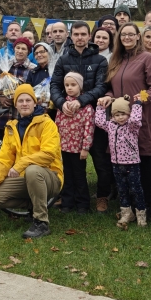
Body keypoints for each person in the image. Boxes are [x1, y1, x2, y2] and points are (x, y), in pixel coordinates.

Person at [98, 23, 151, 216]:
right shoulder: (116, 59)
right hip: (119, 120)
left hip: (139, 118)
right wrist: (108, 96)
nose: (126, 37)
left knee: (143, 162)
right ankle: (128, 205)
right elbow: (112, 87)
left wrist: (140, 99)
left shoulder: (147, 58)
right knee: (123, 163)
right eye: (123, 34)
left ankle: (146, 206)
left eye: (131, 34)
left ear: (137, 36)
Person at [0, 83, 63, 238]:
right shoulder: (11, 127)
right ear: (16, 105)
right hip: (25, 178)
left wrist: (20, 165)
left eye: (28, 100)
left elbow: (48, 154)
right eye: (20, 101)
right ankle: (35, 204)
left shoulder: (47, 124)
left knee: (32, 170)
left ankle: (41, 222)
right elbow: (4, 159)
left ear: (35, 103)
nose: (24, 104)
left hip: (51, 177)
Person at [51, 21, 109, 208]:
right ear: (71, 36)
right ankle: (67, 196)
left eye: (83, 34)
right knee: (69, 163)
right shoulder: (63, 60)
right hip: (69, 120)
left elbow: (102, 86)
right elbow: (54, 86)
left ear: (89, 36)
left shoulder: (100, 60)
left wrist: (81, 101)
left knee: (100, 160)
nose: (80, 38)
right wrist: (61, 103)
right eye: (76, 34)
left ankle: (102, 196)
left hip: (94, 116)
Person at [95, 97, 146, 228]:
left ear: (128, 114)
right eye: (117, 115)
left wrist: (137, 104)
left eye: (123, 114)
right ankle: (126, 213)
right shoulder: (111, 125)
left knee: (136, 189)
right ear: (113, 116)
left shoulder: (132, 126)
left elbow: (135, 119)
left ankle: (141, 214)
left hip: (132, 163)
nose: (120, 117)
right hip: (116, 164)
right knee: (122, 190)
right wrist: (100, 107)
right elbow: (99, 121)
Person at [55, 72, 93, 214]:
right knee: (67, 174)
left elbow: (89, 129)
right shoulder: (62, 106)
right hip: (64, 147)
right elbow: (56, 125)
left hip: (78, 149)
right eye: (67, 85)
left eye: (73, 85)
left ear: (80, 86)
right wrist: (56, 145)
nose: (69, 88)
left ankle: (82, 203)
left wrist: (85, 148)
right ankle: (67, 202)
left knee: (79, 175)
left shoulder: (86, 107)